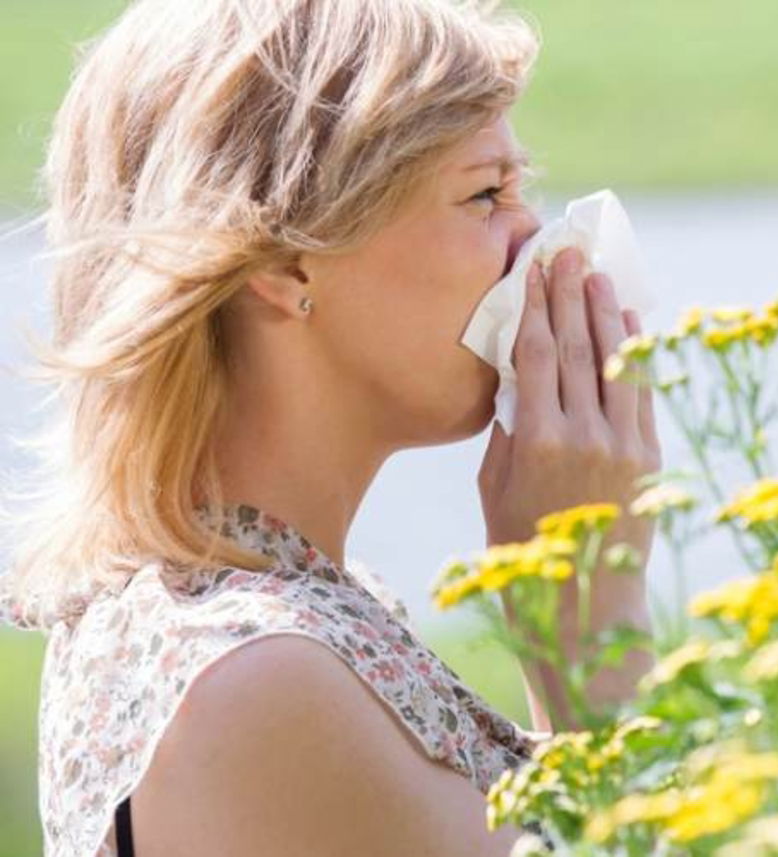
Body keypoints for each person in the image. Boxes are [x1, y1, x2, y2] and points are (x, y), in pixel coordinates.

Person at [0, 1, 661, 854]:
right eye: (485, 193)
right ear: (282, 260)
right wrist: (588, 610)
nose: (533, 236)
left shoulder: (262, 614)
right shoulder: (260, 673)